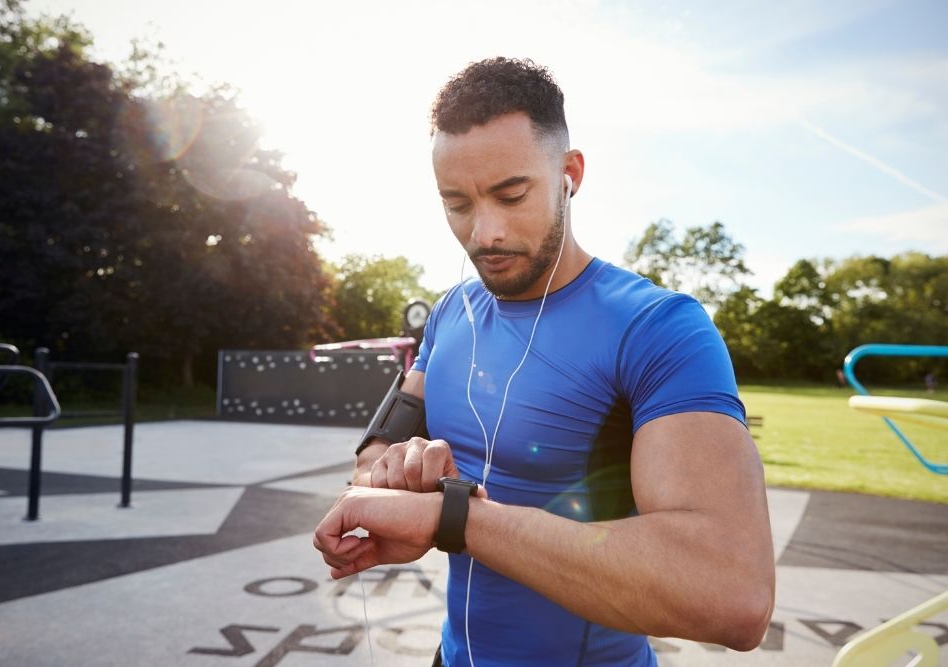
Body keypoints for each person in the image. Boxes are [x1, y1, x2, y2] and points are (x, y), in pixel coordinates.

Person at [314, 57, 775, 666]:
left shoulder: (660, 328)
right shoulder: (452, 311)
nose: (486, 233)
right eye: (457, 203)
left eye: (511, 194)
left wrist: (452, 518)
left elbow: (732, 594)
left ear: (569, 173)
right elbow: (377, 451)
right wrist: (399, 477)